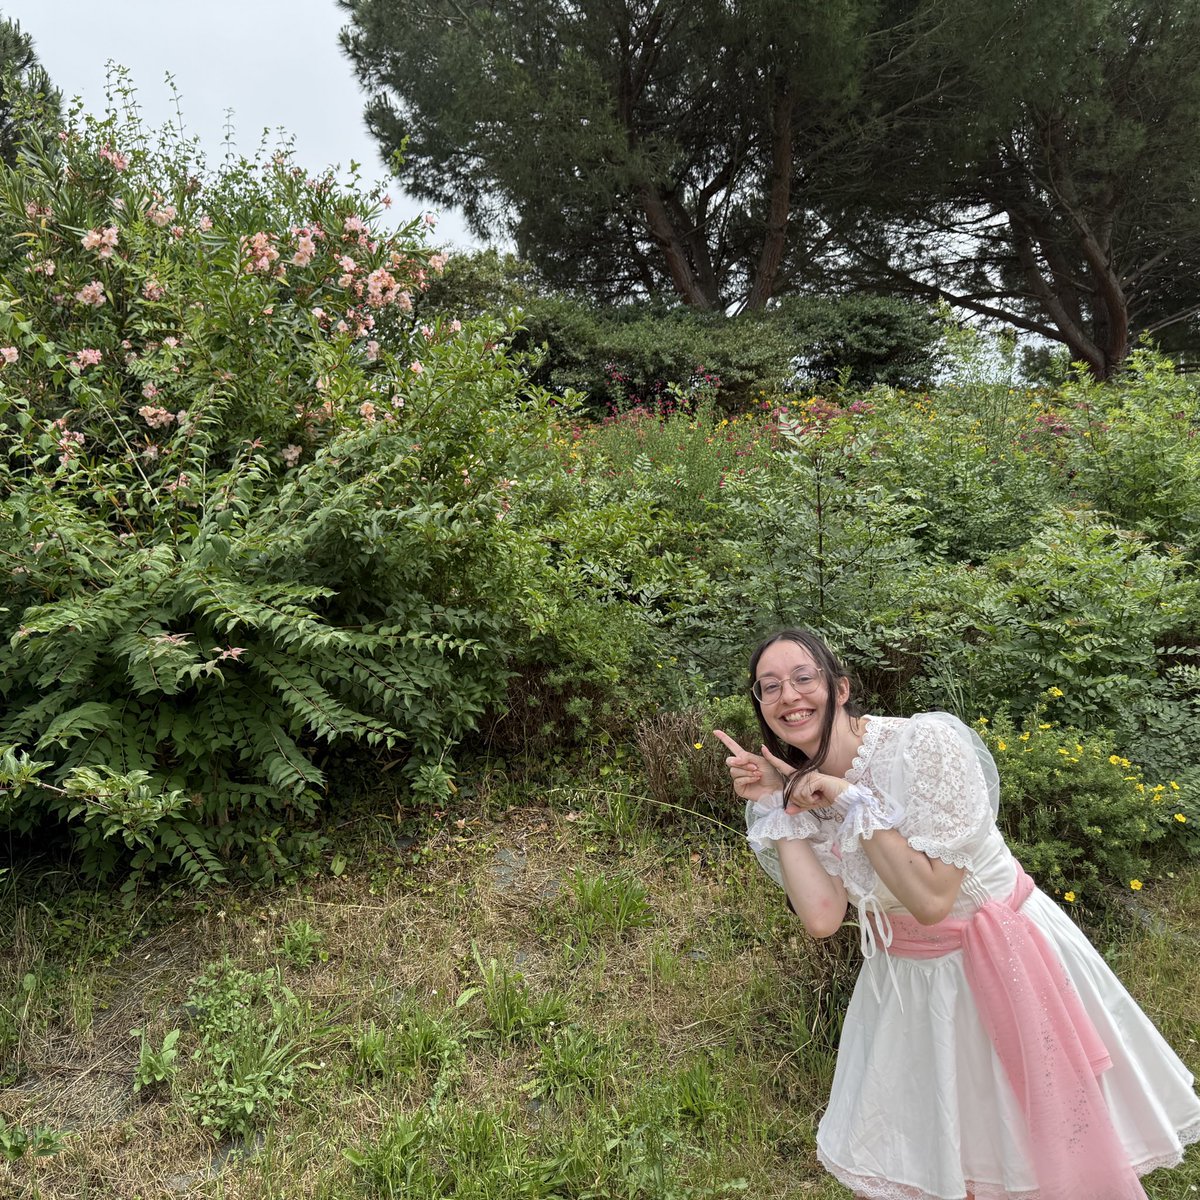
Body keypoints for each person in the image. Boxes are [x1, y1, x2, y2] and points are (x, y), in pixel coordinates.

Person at [713, 629, 1200, 1200]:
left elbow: (933, 898)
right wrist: (780, 804)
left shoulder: (923, 747)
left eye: (803, 677)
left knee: (1031, 1145)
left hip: (1007, 958)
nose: (788, 696)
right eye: (769, 688)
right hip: (909, 982)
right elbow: (822, 916)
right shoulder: (801, 787)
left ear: (840, 688)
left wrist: (851, 800)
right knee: (945, 1149)